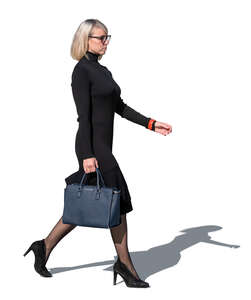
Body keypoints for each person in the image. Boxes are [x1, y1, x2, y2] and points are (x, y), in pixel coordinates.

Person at [24, 19, 172, 288]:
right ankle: (125, 264)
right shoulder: (81, 71)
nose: (106, 42)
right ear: (86, 39)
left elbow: (121, 107)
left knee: (87, 205)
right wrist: (86, 155)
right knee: (117, 202)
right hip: (94, 148)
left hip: (103, 147)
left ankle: (43, 247)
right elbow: (84, 118)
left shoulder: (103, 71)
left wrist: (151, 123)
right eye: (101, 38)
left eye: (107, 38)